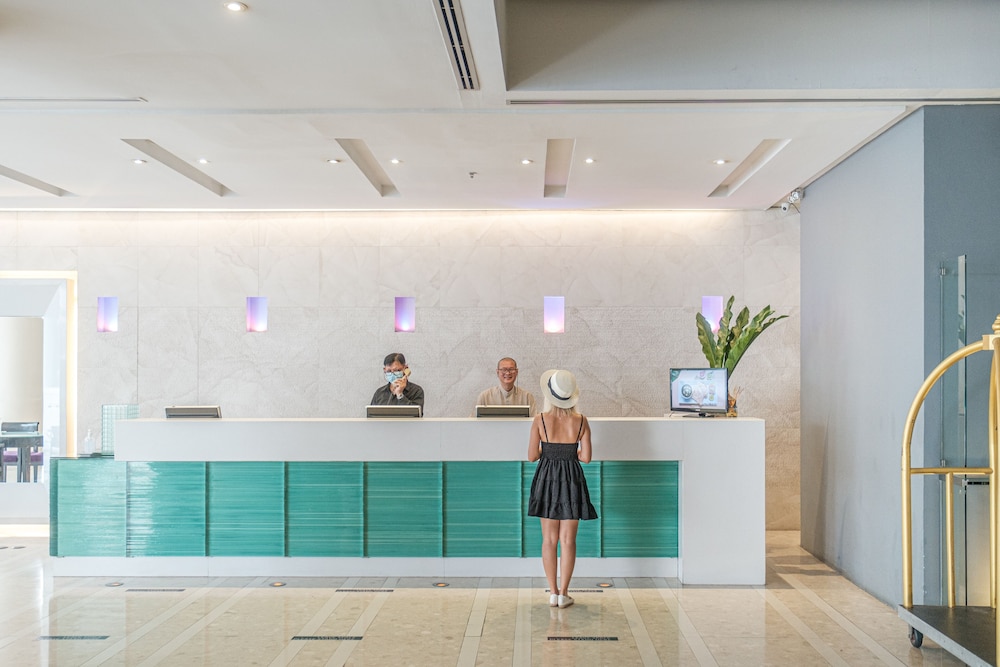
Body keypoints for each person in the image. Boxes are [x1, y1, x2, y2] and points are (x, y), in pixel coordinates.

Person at [527, 369, 597, 609]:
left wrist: (550, 451)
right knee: (568, 540)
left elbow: (531, 456)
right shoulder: (581, 421)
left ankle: (553, 592)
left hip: (547, 479)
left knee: (549, 539)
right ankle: (564, 593)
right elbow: (586, 457)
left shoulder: (540, 420)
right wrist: (569, 452)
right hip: (572, 480)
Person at [470, 357, 538, 417]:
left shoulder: (527, 397)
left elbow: (535, 422)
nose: (508, 373)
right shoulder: (485, 396)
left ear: (516, 372)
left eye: (511, 369)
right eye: (504, 369)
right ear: (497, 372)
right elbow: (473, 422)